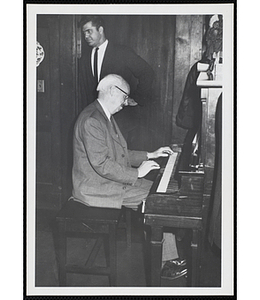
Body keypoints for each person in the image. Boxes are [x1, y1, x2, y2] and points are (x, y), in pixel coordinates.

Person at [71, 74, 187, 280]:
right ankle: (165, 263)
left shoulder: (103, 115)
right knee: (158, 201)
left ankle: (168, 256)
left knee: (163, 192)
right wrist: (138, 173)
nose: (125, 103)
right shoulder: (92, 120)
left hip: (109, 180)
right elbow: (102, 165)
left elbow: (120, 154)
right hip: (96, 187)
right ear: (113, 91)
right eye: (125, 98)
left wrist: (151, 154)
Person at [78, 15, 154, 145]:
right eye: (84, 33)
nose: (86, 36)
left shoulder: (122, 52)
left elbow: (147, 73)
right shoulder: (85, 58)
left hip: (121, 121)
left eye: (89, 31)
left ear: (100, 30)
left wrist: (136, 98)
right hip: (96, 121)